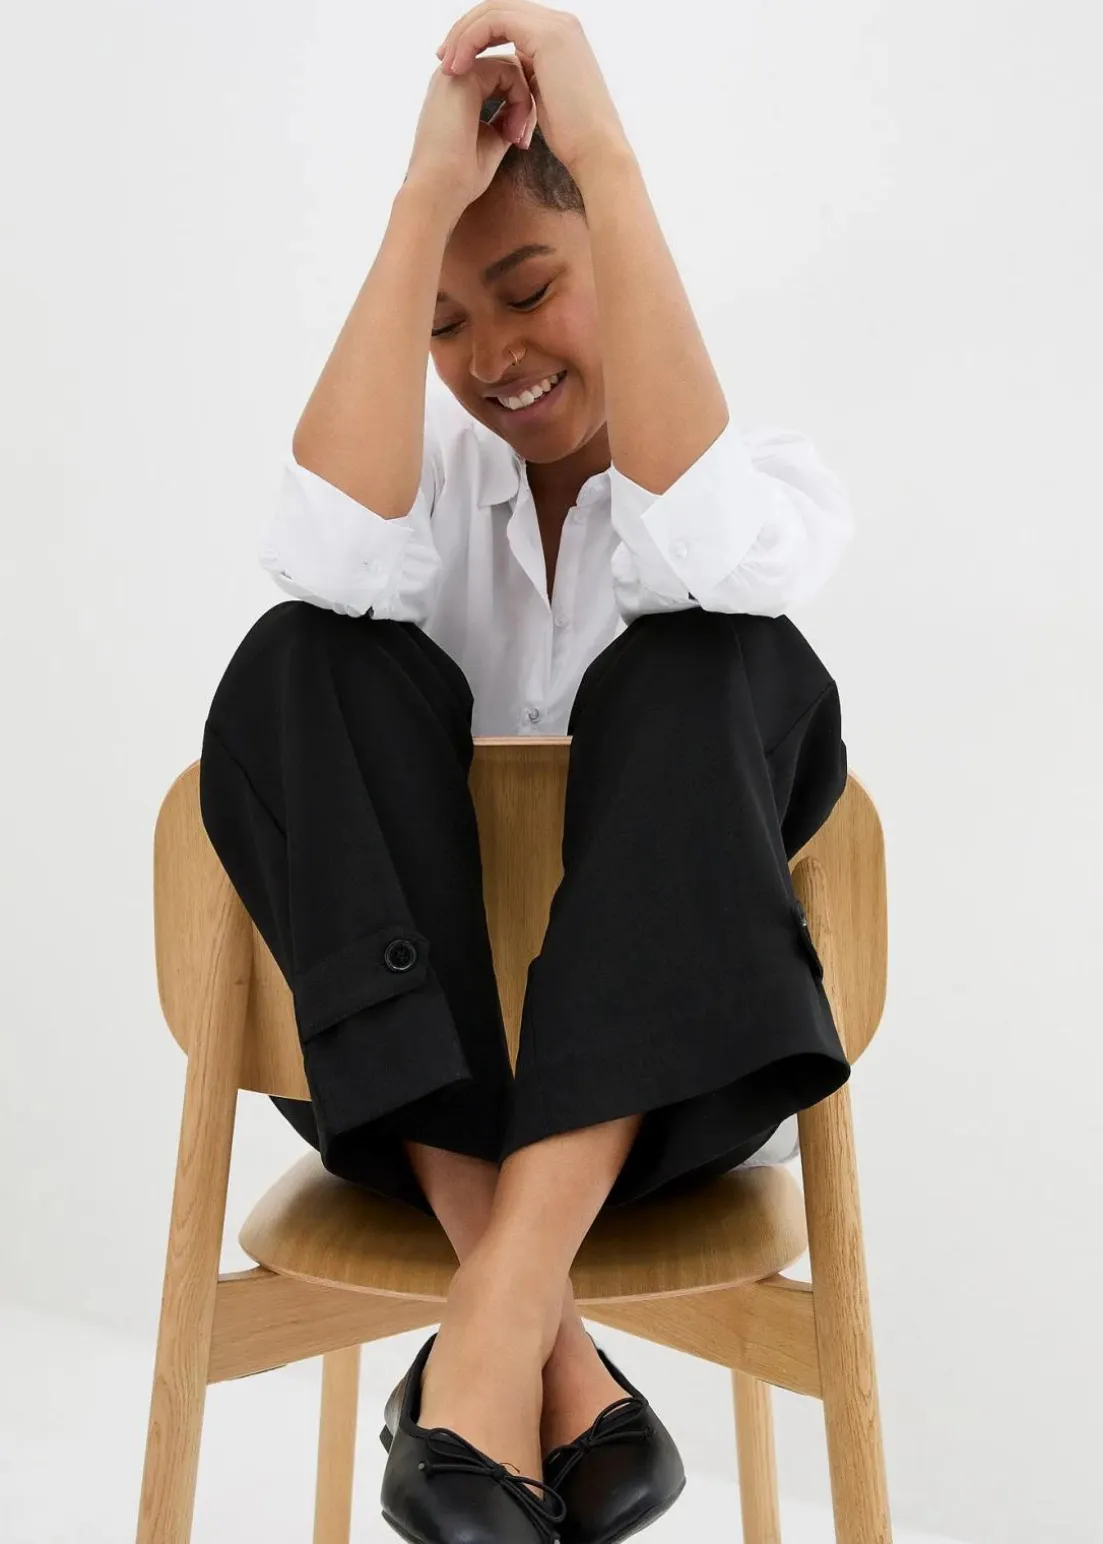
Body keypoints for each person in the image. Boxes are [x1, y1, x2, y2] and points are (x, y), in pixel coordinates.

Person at [199, 10, 855, 1542]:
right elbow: (320, 554)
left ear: (607, 255)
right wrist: (419, 199)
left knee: (712, 651)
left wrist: (602, 150)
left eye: (530, 289)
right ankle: (538, 1344)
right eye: (447, 323)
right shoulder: (418, 499)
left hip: (678, 1091)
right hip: (404, 1085)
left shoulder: (771, 484)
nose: (491, 357)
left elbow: (694, 552)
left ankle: (485, 1336)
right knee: (303, 649)